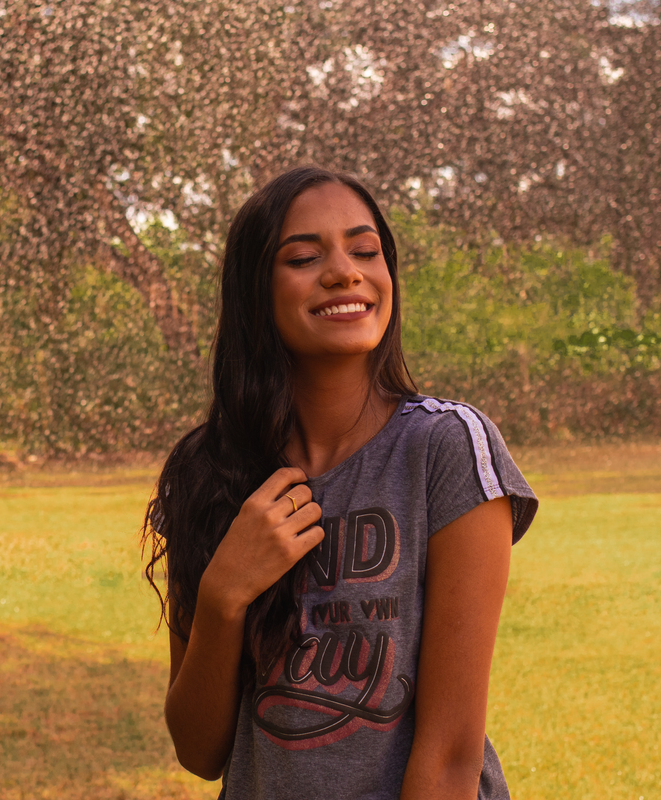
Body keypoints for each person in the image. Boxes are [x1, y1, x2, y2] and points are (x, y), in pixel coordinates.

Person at [143, 165, 538, 799]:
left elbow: (449, 759)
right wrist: (222, 595)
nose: (344, 272)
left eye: (365, 250)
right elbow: (199, 750)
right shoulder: (207, 471)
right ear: (255, 292)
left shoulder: (444, 448)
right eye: (304, 257)